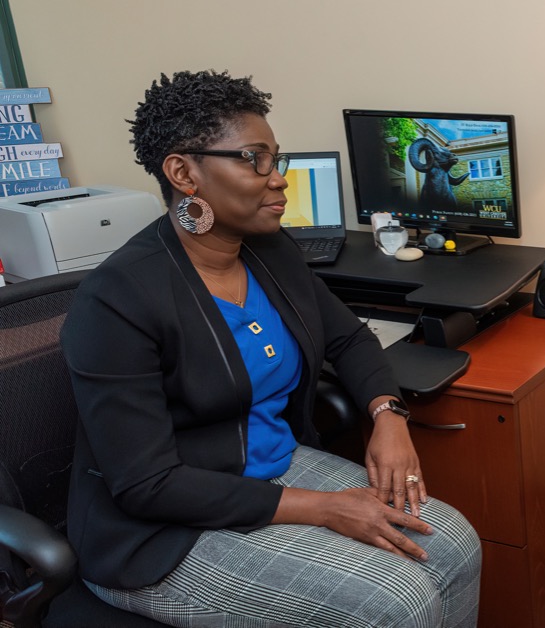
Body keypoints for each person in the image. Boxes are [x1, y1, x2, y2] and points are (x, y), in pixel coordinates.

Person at [61, 70, 481, 627]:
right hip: (159, 534)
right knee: (396, 601)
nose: (278, 179)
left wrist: (388, 415)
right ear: (184, 172)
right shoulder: (117, 301)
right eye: (254, 159)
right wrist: (326, 509)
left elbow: (350, 337)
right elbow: (147, 485)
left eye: (275, 159)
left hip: (272, 469)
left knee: (455, 542)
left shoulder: (269, 248)